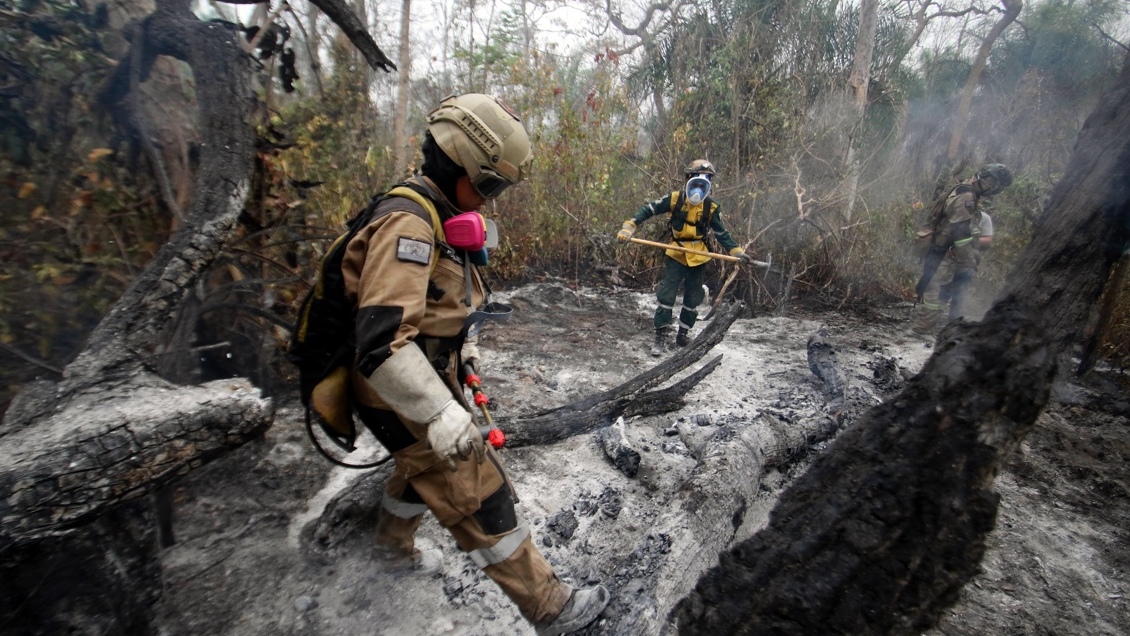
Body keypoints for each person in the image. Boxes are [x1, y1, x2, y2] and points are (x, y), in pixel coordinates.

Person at [341, 93, 609, 635]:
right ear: (457, 160)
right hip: (394, 383)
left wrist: (463, 355)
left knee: (419, 469)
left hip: (424, 374)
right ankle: (552, 609)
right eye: (488, 187)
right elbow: (381, 343)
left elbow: (435, 307)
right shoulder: (410, 224)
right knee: (476, 487)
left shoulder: (439, 212)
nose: (488, 203)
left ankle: (390, 551)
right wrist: (440, 413)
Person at [615, 159, 750, 356]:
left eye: (706, 180)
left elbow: (722, 234)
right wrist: (629, 227)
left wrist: (736, 252)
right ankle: (660, 337)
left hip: (698, 256)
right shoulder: (674, 199)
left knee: (693, 298)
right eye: (695, 179)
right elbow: (648, 210)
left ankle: (682, 335)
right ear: (687, 179)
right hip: (676, 253)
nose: (699, 185)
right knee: (666, 295)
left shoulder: (711, 207)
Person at [913, 163, 1012, 335]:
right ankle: (919, 331)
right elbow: (961, 233)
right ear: (984, 177)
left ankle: (924, 329)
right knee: (934, 296)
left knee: (940, 294)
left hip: (946, 253)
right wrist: (968, 261)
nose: (994, 189)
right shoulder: (966, 195)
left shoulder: (968, 193)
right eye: (993, 183)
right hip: (943, 253)